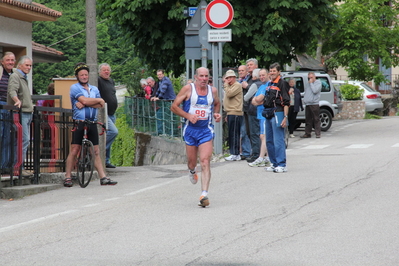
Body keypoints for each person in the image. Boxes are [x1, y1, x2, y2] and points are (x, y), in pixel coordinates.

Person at [170, 67, 221, 207]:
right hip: (190, 131)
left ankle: (204, 194)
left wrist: (216, 114)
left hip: (205, 130)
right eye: (201, 76)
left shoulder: (213, 91)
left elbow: (217, 103)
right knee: (192, 162)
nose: (204, 79)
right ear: (196, 77)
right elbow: (174, 106)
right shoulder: (188, 89)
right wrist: (188, 116)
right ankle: (192, 171)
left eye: (206, 76)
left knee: (205, 161)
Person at [63, 62, 117, 187]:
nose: (84, 77)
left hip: (92, 122)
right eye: (81, 75)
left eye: (86, 75)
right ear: (77, 76)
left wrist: (88, 102)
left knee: (96, 151)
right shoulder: (75, 88)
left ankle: (103, 177)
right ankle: (68, 177)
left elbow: (100, 104)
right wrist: (95, 100)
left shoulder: (94, 89)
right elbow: (86, 100)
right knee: (75, 149)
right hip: (79, 122)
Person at [253, 63, 290, 173]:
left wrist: (285, 117)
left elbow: (286, 102)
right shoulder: (269, 84)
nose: (272, 73)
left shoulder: (282, 83)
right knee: (269, 140)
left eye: (274, 71)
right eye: (271, 71)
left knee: (278, 140)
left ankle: (282, 164)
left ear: (279, 72)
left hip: (278, 113)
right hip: (268, 114)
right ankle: (274, 163)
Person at [7, 55, 34, 177]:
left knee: (23, 141)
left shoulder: (23, 77)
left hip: (27, 112)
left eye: (30, 65)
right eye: (27, 65)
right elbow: (12, 90)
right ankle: (18, 167)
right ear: (20, 65)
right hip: (21, 113)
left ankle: (19, 166)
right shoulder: (15, 76)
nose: (29, 67)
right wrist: (16, 100)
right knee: (23, 140)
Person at [98, 63, 119, 168]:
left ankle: (106, 160)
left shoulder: (111, 81)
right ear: (99, 72)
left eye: (108, 70)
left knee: (109, 135)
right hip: (103, 112)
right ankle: (99, 150)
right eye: (104, 70)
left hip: (111, 113)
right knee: (113, 132)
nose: (106, 72)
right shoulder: (98, 80)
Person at [249, 69, 271, 167]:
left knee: (263, 136)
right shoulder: (261, 86)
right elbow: (253, 101)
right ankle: (267, 157)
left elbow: (257, 99)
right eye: (260, 75)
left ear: (268, 75)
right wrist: (258, 100)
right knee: (264, 136)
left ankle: (261, 157)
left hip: (265, 114)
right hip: (260, 114)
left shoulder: (268, 85)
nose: (262, 77)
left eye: (263, 75)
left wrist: (258, 100)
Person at [242, 59, 260, 163]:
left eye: (251, 65)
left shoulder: (256, 78)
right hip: (247, 109)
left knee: (254, 132)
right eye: (247, 65)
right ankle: (255, 152)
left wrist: (246, 86)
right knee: (249, 132)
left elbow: (255, 88)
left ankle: (256, 154)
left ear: (256, 66)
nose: (249, 67)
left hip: (254, 109)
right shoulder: (248, 77)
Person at [223, 69, 243, 161]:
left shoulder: (237, 85)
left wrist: (226, 84)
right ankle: (233, 152)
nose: (229, 79)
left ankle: (235, 153)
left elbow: (229, 94)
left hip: (236, 112)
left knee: (234, 133)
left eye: (231, 77)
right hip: (230, 112)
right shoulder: (230, 86)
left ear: (234, 77)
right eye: (227, 78)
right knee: (231, 133)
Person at [0, 52, 15, 171]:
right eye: (8, 60)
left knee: (8, 137)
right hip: (1, 105)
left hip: (11, 107)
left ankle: (5, 165)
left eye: (12, 60)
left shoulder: (15, 75)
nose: (10, 62)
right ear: (2, 62)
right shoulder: (1, 73)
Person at [151, 69, 176, 135]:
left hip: (171, 101)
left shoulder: (165, 81)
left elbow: (163, 91)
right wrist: (155, 96)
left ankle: (172, 133)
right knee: (163, 116)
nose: (159, 76)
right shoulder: (160, 82)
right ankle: (163, 132)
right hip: (166, 101)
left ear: (163, 74)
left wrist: (158, 98)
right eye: (158, 75)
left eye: (160, 74)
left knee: (170, 117)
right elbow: (159, 90)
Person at [301, 72, 321, 138]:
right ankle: (307, 133)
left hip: (314, 103)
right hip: (308, 103)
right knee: (308, 119)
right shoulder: (308, 83)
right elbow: (307, 92)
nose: (310, 79)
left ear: (314, 77)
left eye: (311, 77)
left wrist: (311, 83)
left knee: (316, 119)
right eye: (309, 78)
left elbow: (315, 91)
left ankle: (318, 133)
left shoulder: (318, 83)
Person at [237, 64, 251, 160]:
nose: (241, 72)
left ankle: (247, 152)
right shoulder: (238, 82)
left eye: (242, 70)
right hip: (239, 109)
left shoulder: (247, 81)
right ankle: (244, 151)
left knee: (245, 131)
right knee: (241, 131)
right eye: (239, 71)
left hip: (247, 109)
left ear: (246, 71)